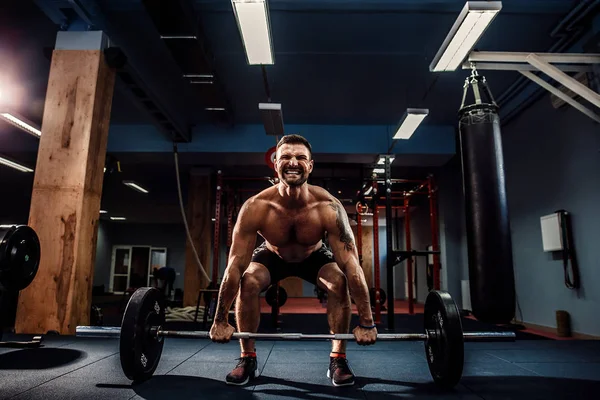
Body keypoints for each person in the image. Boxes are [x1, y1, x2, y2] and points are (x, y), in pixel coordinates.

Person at [209, 134, 377, 387]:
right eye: (286, 157)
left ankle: (338, 358)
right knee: (248, 280)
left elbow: (351, 263)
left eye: (300, 157)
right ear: (275, 163)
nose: (293, 162)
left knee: (339, 281)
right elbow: (235, 264)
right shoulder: (256, 207)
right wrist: (220, 320)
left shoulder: (328, 206)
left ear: (310, 165)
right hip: (272, 255)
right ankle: (247, 358)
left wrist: (367, 321)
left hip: (314, 255)